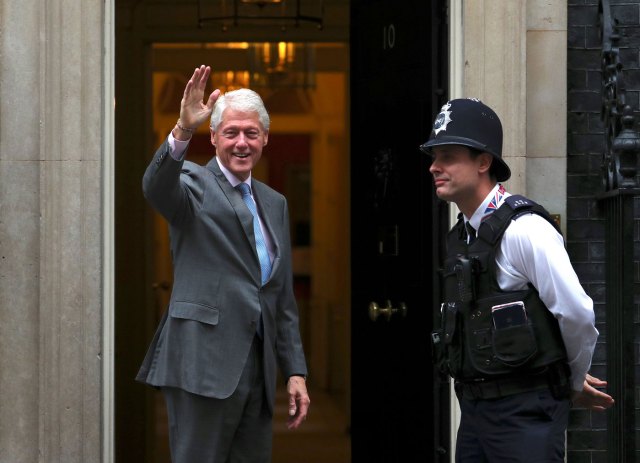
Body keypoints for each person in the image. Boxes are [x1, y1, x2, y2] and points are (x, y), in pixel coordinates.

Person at [422, 98, 614, 462]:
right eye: (434, 156)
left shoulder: (525, 231)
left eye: (448, 156)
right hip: (476, 414)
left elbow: (577, 314)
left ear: (483, 162)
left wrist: (572, 381)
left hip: (525, 414)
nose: (435, 167)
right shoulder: (460, 235)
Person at [136, 65, 310, 463]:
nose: (241, 143)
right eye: (231, 133)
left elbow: (280, 298)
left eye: (251, 133)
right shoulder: (192, 185)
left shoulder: (274, 203)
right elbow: (155, 186)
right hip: (203, 365)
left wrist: (295, 371)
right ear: (213, 137)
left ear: (265, 137)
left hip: (258, 370)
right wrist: (182, 130)